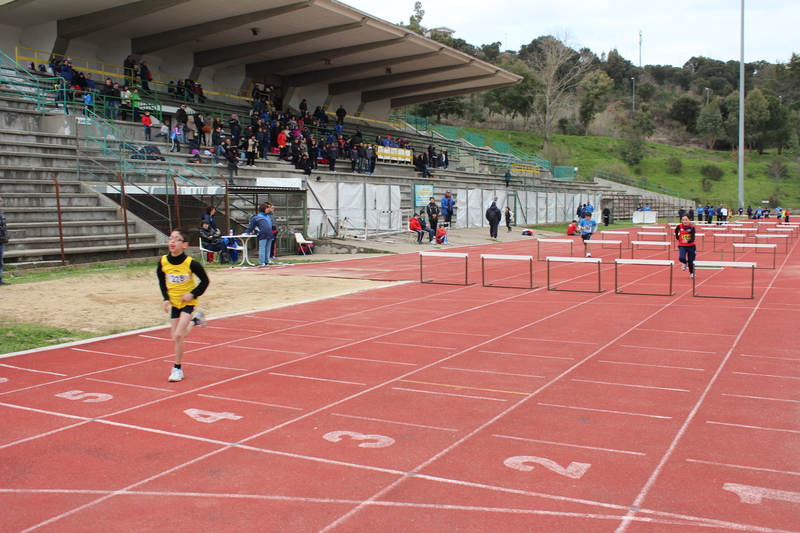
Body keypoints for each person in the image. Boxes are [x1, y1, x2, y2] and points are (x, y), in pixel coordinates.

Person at [157, 228, 209, 382]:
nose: (172, 241)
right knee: (176, 337)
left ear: (185, 244)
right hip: (174, 302)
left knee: (179, 335)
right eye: (170, 238)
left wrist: (192, 294)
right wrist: (165, 298)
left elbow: (205, 281)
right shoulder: (163, 261)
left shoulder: (191, 263)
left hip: (188, 302)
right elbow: (162, 281)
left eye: (176, 239)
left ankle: (177, 369)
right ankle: (196, 320)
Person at [245, 203, 274, 267]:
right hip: (269, 232)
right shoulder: (261, 216)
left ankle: (262, 262)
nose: (269, 209)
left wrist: (247, 232)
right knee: (266, 248)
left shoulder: (257, 218)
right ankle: (266, 261)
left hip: (264, 233)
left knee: (263, 248)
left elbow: (251, 227)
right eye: (267, 208)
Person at [674, 214, 696, 279]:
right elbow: (676, 232)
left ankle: (691, 273)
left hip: (691, 246)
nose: (684, 221)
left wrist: (688, 241)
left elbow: (693, 238)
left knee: (691, 261)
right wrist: (678, 238)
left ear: (689, 220)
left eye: (686, 220)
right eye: (683, 220)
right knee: (681, 258)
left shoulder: (692, 227)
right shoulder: (679, 226)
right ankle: (684, 262)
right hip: (682, 245)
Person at [0, 196, 8, 285]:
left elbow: (4, 228)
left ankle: (0, 279)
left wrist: (6, 237)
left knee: (0, 262)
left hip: (1, 240)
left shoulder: (1, 213)